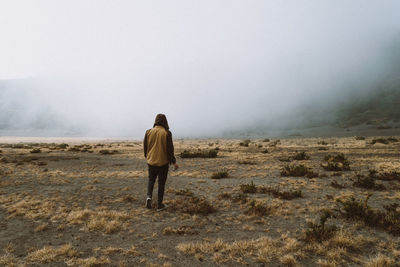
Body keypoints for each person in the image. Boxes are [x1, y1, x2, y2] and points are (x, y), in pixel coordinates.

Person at [144, 114, 178, 211]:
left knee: (151, 180)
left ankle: (149, 197)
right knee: (161, 183)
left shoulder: (148, 132)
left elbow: (145, 147)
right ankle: (159, 205)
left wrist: (148, 157)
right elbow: (170, 149)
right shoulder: (167, 133)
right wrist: (174, 162)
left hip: (151, 161)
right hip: (163, 162)